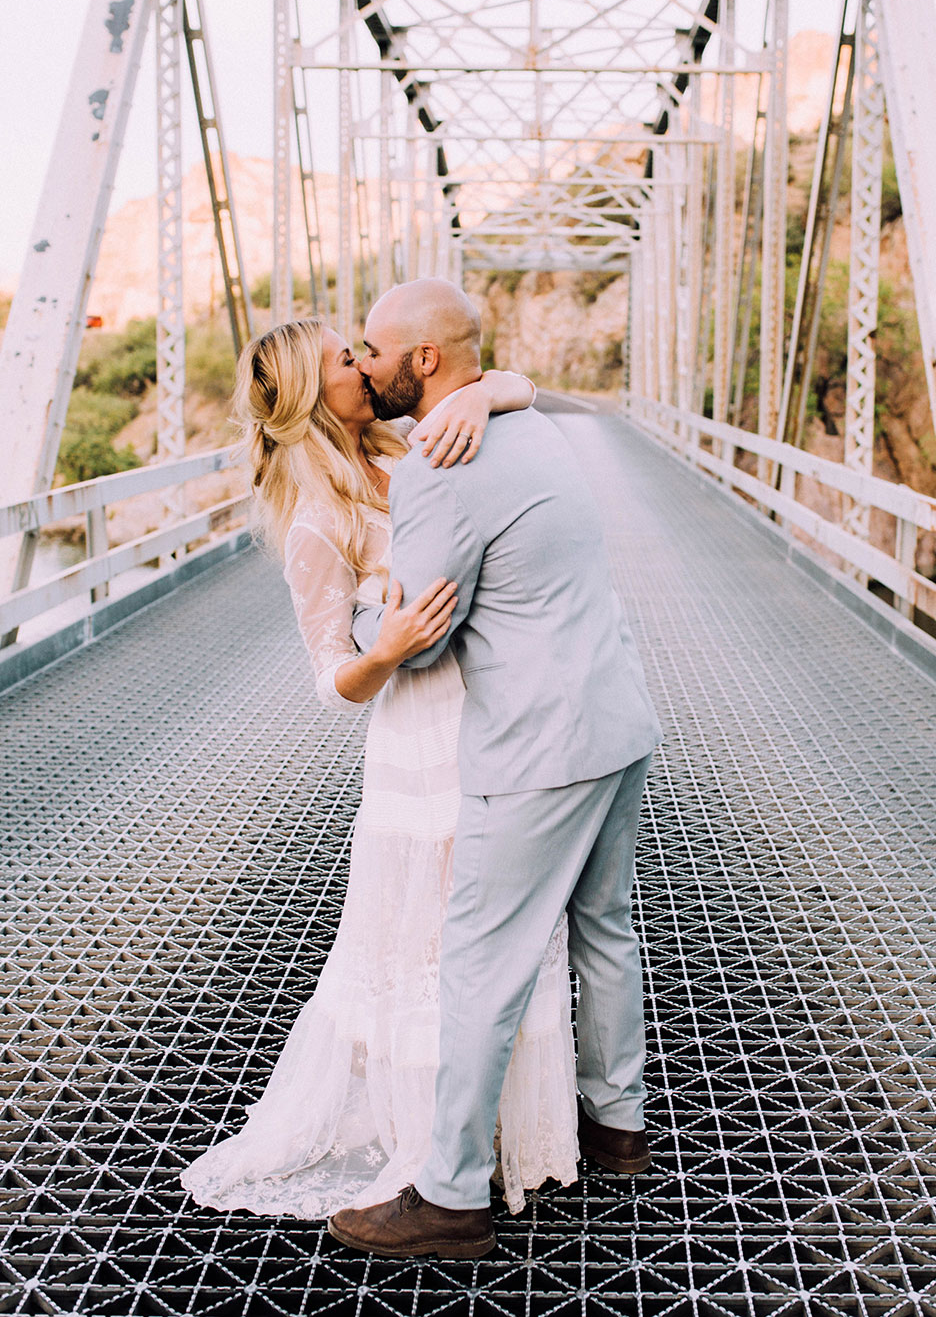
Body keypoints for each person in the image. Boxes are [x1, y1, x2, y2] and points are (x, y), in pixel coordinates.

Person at [179, 317, 580, 1220]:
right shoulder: (318, 519)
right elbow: (333, 681)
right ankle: (434, 1150)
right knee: (437, 944)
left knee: (500, 929)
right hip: (421, 745)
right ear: (318, 392)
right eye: (345, 360)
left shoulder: (415, 444)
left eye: (362, 349)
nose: (366, 364)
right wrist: (389, 645)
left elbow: (524, 393)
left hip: (495, 716)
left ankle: (509, 1130)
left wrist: (478, 389)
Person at [328, 278, 662, 1261]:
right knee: (604, 930)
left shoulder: (442, 460)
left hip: (534, 752)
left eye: (374, 349)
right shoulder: (533, 427)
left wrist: (363, 615)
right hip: (616, 720)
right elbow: (507, 389)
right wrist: (495, 387)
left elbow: (419, 643)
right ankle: (617, 1126)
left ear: (423, 361)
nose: (367, 364)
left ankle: (449, 1193)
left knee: (479, 962)